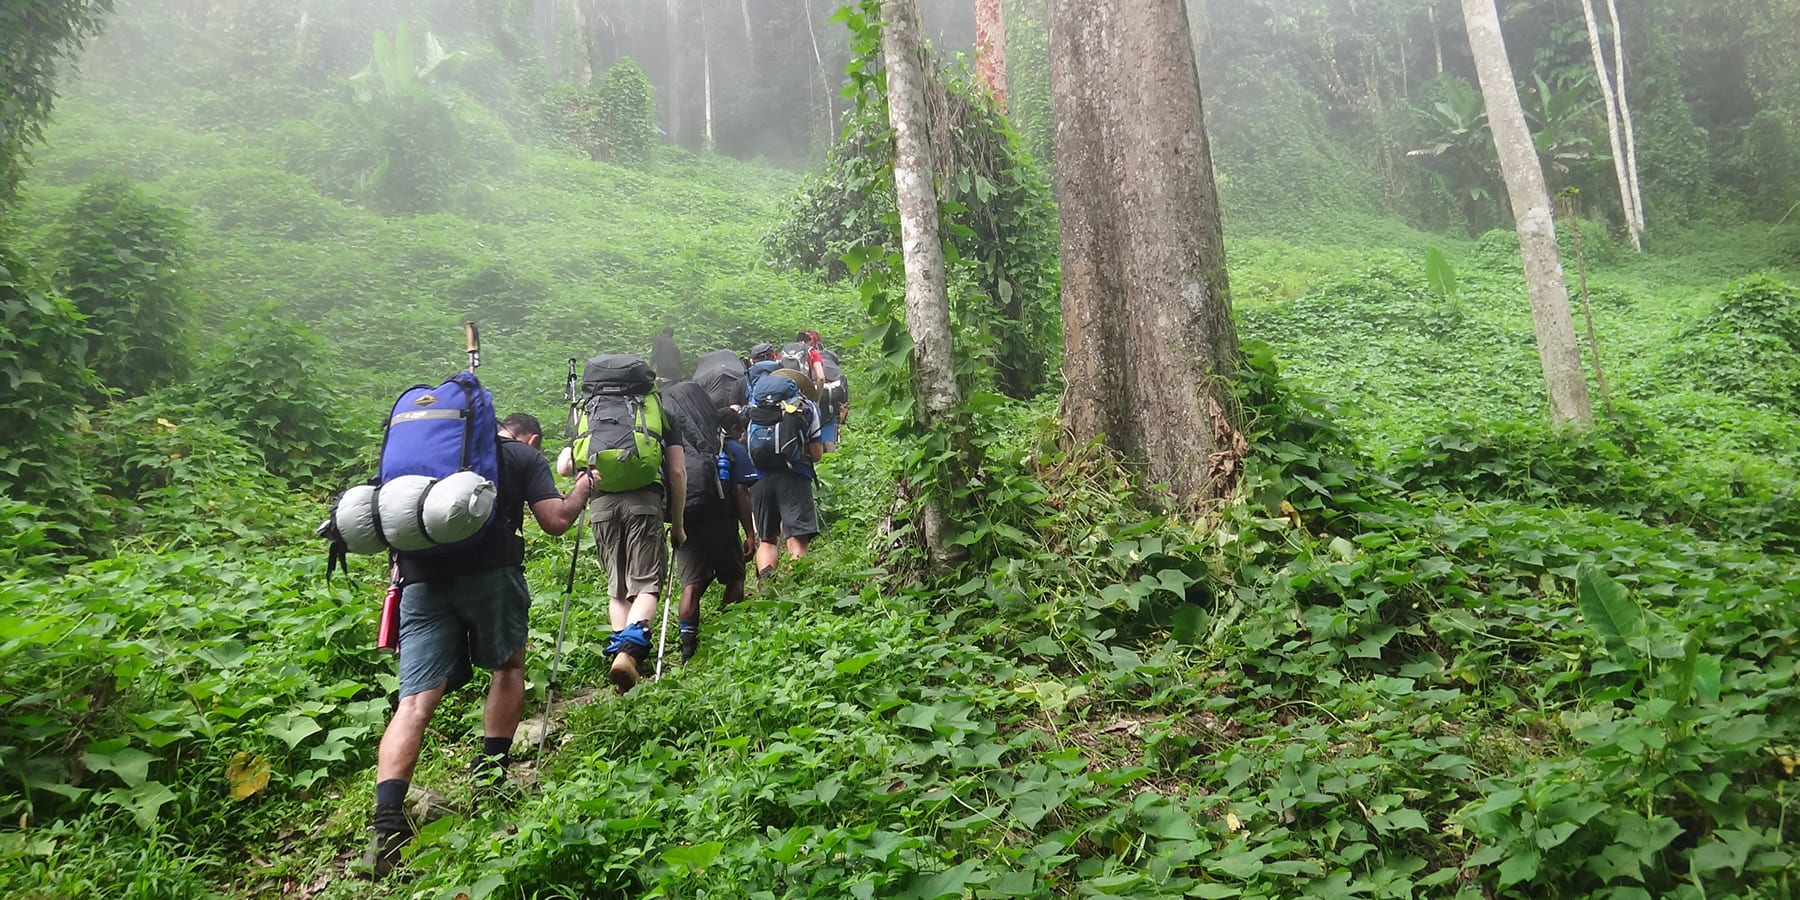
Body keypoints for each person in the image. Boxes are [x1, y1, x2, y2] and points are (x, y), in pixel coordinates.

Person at [363, 413, 594, 880]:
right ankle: (489, 780)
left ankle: (385, 826)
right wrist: (584, 487)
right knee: (507, 669)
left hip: (419, 580)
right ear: (529, 437)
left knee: (413, 703)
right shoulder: (522, 456)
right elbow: (555, 521)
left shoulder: (421, 461)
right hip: (492, 574)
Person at [556, 396, 686, 694]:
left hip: (601, 503)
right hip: (645, 502)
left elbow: (564, 467)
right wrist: (678, 524)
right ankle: (628, 653)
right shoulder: (659, 412)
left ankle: (621, 659)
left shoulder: (587, 410)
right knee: (646, 584)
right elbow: (677, 472)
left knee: (618, 588)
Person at [658, 383, 756, 661]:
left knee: (691, 585)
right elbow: (740, 492)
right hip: (720, 519)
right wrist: (750, 533)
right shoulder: (723, 445)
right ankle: (729, 629)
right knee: (734, 576)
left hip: (684, 521)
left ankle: (688, 647)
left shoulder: (668, 450)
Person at [749, 383, 825, 580]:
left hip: (759, 480)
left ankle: (767, 586)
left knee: (767, 540)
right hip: (794, 478)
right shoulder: (805, 407)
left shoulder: (754, 406)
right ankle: (797, 585)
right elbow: (817, 454)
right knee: (797, 536)